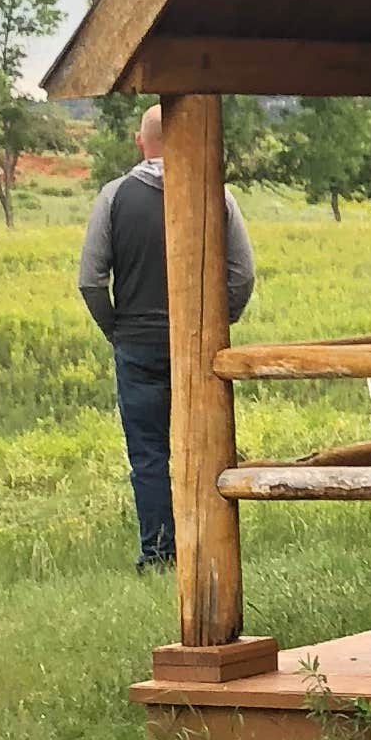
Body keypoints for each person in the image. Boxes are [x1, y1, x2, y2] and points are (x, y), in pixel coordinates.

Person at [78, 104, 254, 569]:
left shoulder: (114, 197)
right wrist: (219, 322)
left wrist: (116, 329)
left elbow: (91, 280)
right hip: (198, 344)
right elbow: (242, 275)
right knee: (207, 445)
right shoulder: (216, 196)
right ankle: (210, 548)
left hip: (137, 345)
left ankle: (159, 553)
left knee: (150, 455)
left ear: (141, 141)